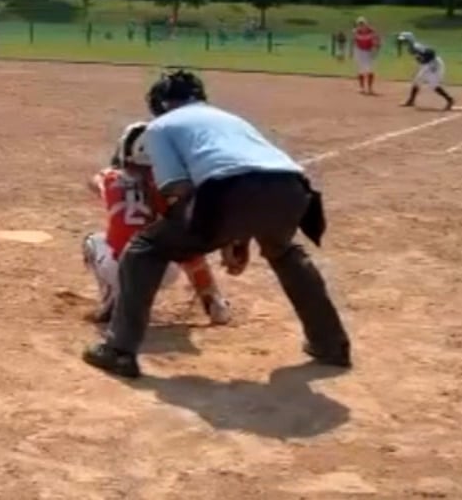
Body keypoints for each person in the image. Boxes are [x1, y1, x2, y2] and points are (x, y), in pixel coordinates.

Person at [82, 68, 349, 379]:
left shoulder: (160, 127)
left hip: (231, 192)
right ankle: (331, 345)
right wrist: (237, 236)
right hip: (292, 189)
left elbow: (178, 188)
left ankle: (119, 350)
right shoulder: (232, 120)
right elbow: (251, 172)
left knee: (145, 249)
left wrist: (213, 235)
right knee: (286, 254)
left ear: (161, 104)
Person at [84, 122, 231, 327]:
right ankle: (214, 303)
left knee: (93, 241)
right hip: (162, 272)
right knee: (183, 243)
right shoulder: (165, 184)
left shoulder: (110, 177)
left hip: (120, 267)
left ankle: (113, 296)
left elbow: (94, 183)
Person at [397, 32, 455, 111]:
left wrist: (432, 65)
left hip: (434, 64)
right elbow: (420, 59)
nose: (403, 42)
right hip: (426, 65)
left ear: (410, 40)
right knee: (416, 81)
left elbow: (432, 52)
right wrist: (420, 67)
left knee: (434, 85)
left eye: (405, 41)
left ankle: (450, 100)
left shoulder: (416, 47)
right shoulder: (411, 48)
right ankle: (411, 101)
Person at [351, 17, 380, 94]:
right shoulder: (355, 32)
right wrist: (352, 52)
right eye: (359, 24)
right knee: (361, 70)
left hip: (369, 51)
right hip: (359, 51)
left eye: (362, 24)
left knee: (370, 69)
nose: (361, 26)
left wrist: (375, 49)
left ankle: (370, 88)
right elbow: (354, 41)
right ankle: (362, 87)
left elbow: (376, 41)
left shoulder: (372, 31)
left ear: (366, 24)